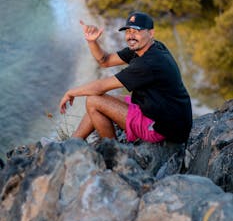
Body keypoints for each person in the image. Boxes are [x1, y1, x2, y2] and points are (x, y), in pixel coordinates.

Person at [59, 11, 192, 144]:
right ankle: (73, 142)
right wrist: (92, 41)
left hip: (162, 128)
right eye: (128, 31)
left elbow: (99, 88)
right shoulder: (150, 47)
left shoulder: (148, 63)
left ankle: (113, 151)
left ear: (151, 33)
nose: (131, 36)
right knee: (100, 100)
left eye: (136, 31)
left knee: (93, 100)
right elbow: (105, 60)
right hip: (162, 112)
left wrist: (71, 92)